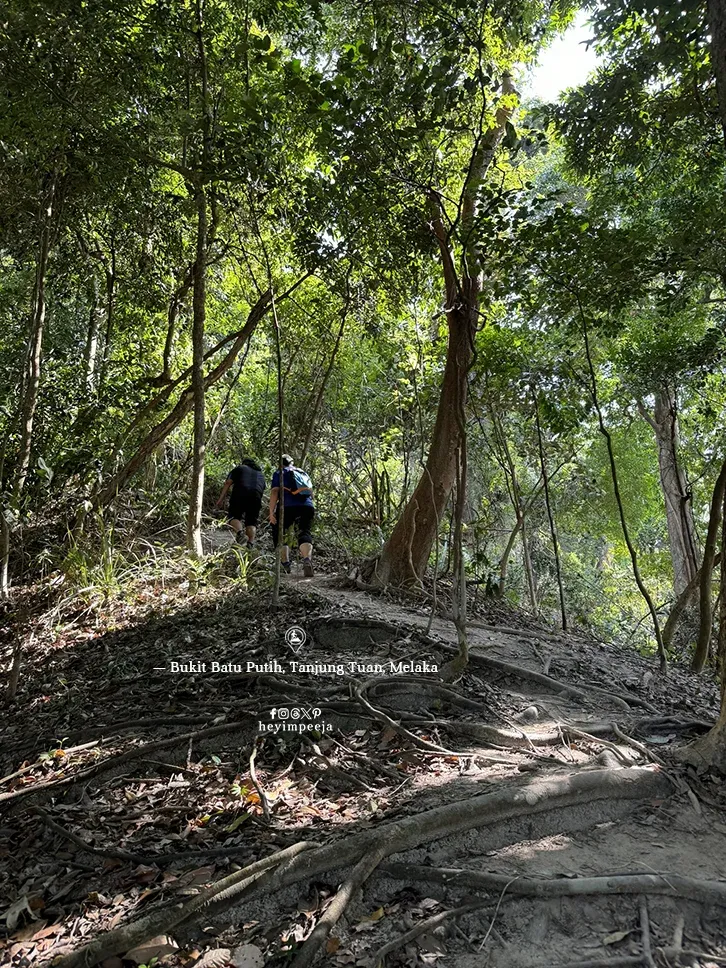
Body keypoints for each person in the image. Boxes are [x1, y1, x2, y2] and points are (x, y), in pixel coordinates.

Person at [269, 454, 315, 576]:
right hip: (307, 506)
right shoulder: (302, 472)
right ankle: (307, 560)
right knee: (304, 531)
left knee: (280, 533)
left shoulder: (280, 473)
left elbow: (274, 492)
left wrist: (271, 512)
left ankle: (285, 564)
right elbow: (311, 493)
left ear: (280, 463)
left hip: (287, 506)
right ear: (291, 463)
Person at [215, 457, 265, 547]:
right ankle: (250, 544)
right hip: (256, 497)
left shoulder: (240, 468)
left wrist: (221, 499)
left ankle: (240, 534)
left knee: (233, 517)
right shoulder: (260, 474)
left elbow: (228, 483)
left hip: (240, 494)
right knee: (251, 522)